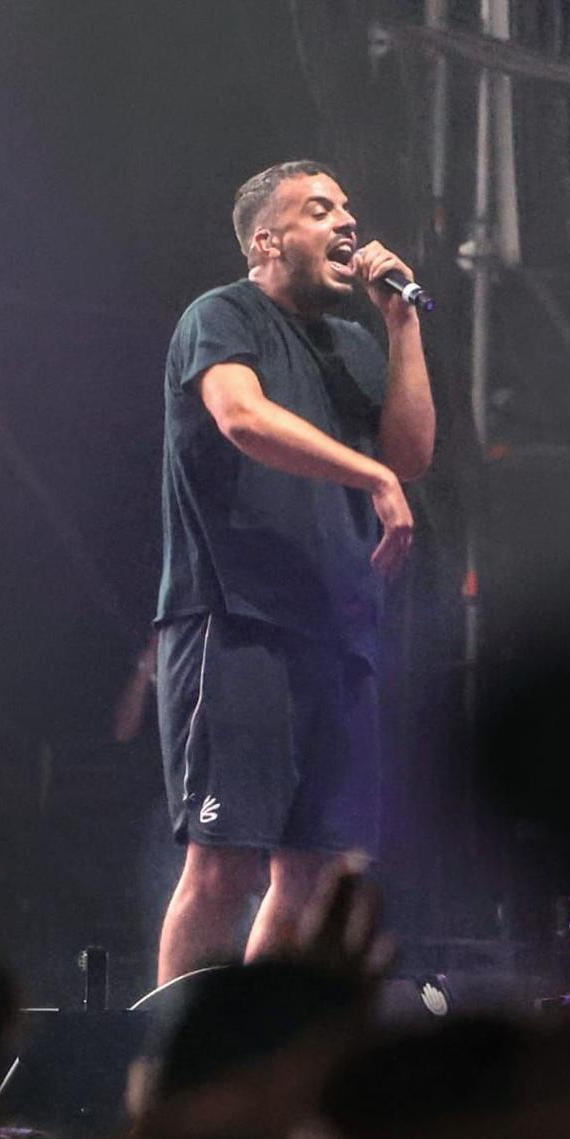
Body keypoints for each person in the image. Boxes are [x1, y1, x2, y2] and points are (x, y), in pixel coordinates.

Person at [152, 160, 434, 986]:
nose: (347, 221)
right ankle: (174, 1074)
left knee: (309, 878)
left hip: (338, 629)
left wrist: (402, 325)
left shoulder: (351, 343)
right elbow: (239, 416)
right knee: (224, 866)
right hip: (239, 619)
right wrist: (369, 477)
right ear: (267, 240)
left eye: (348, 206)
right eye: (320, 210)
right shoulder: (222, 316)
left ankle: (243, 1056)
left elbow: (410, 454)